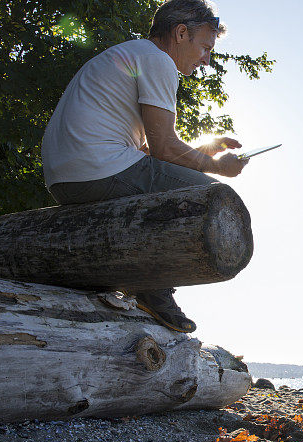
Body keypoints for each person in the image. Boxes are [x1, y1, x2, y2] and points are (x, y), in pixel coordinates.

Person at [42, 0, 247, 333]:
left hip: (66, 178)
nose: (206, 60)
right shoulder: (157, 60)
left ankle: (133, 280)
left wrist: (204, 151)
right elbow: (165, 149)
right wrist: (216, 167)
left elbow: (151, 154)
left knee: (185, 186)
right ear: (181, 33)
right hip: (98, 169)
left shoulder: (131, 54)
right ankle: (155, 290)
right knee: (208, 196)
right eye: (205, 48)